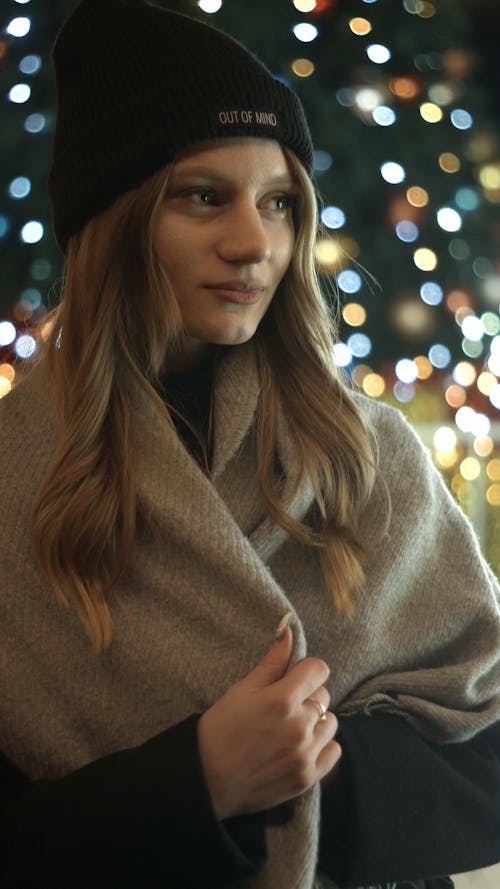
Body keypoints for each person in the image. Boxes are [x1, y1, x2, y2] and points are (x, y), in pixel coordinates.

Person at [0, 1, 499, 887]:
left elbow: (486, 754)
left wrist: (310, 782)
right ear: (112, 220)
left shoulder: (369, 452)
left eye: (278, 203)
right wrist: (194, 784)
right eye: (201, 196)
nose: (253, 244)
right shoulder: (12, 474)